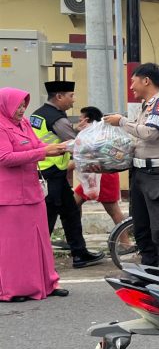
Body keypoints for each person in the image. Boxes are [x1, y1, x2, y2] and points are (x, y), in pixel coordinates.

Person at [104, 63, 159, 271]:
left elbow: (150, 133)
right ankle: (150, 273)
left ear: (146, 80)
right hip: (140, 173)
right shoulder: (145, 107)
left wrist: (121, 121)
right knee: (141, 228)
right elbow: (137, 140)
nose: (131, 87)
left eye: (133, 81)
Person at [0, 87, 67, 301]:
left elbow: (37, 145)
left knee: (40, 241)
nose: (21, 110)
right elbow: (5, 158)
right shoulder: (1, 126)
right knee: (14, 246)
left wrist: (58, 148)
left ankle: (48, 283)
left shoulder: (25, 123)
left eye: (23, 106)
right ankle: (13, 289)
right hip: (10, 196)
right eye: (17, 106)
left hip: (32, 192)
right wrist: (42, 152)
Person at [30, 80, 104, 268]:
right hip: (51, 175)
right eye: (71, 96)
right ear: (59, 96)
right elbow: (77, 145)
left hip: (46, 173)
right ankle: (37, 260)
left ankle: (80, 254)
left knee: (70, 212)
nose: (73, 100)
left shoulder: (37, 115)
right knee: (48, 217)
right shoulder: (57, 119)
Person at [73, 106, 127, 238]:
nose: (79, 121)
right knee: (73, 204)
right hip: (93, 177)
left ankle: (126, 242)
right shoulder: (93, 133)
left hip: (104, 177)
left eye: (80, 119)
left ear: (86, 119)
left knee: (113, 210)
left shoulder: (97, 135)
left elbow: (86, 152)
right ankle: (75, 238)